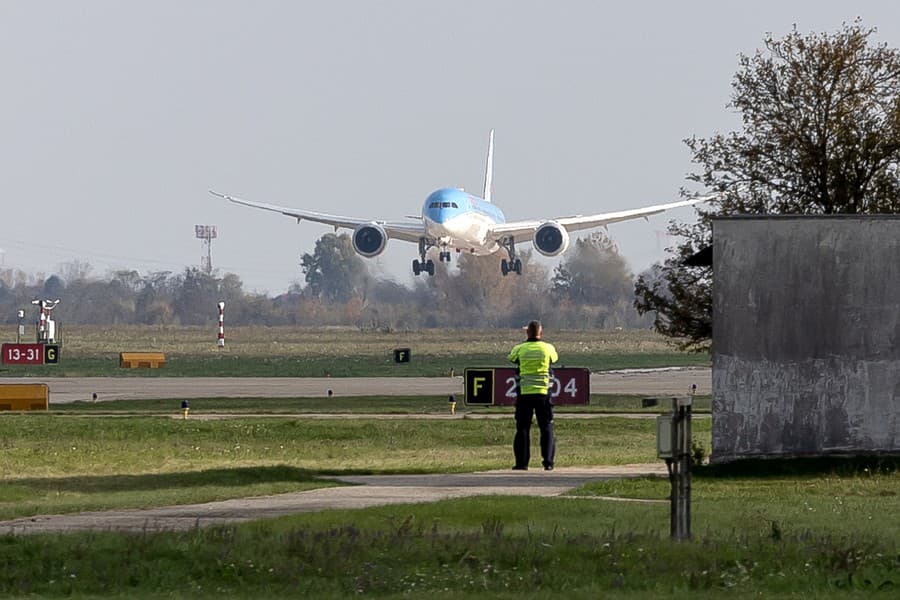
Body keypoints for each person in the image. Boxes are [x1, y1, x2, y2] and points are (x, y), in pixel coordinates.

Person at [507, 320, 558, 471]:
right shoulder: (548, 348)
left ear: (527, 333)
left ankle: (522, 463)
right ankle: (548, 461)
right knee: (546, 427)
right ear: (541, 333)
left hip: (525, 393)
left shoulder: (520, 349)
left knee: (522, 428)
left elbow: (511, 358)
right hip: (543, 393)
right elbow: (554, 359)